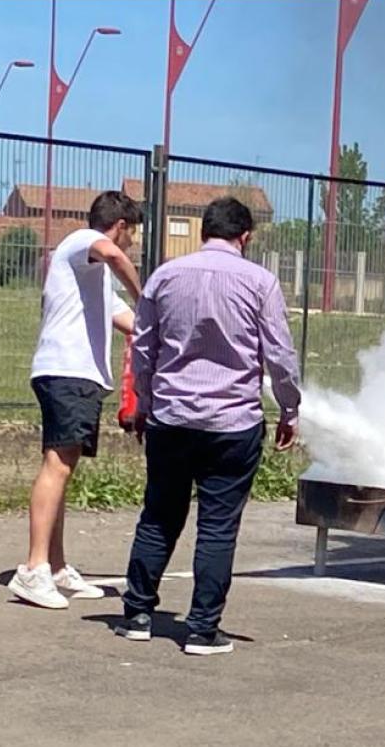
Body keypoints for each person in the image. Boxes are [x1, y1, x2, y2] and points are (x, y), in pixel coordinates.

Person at [118, 196, 301, 655]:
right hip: (232, 423)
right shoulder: (260, 282)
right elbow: (279, 354)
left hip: (171, 417)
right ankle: (202, 629)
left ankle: (138, 613)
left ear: (203, 232)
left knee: (159, 516)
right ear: (245, 236)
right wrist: (289, 409)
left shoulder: (164, 275)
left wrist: (143, 400)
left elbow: (144, 348)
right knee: (218, 526)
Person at [7, 191, 143, 609]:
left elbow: (127, 321)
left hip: (78, 377)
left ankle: (56, 565)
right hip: (65, 372)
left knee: (63, 467)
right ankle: (32, 570)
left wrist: (162, 329)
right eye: (132, 233)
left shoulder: (93, 276)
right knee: (57, 465)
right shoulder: (83, 242)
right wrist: (149, 297)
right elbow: (115, 257)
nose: (133, 242)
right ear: (119, 226)